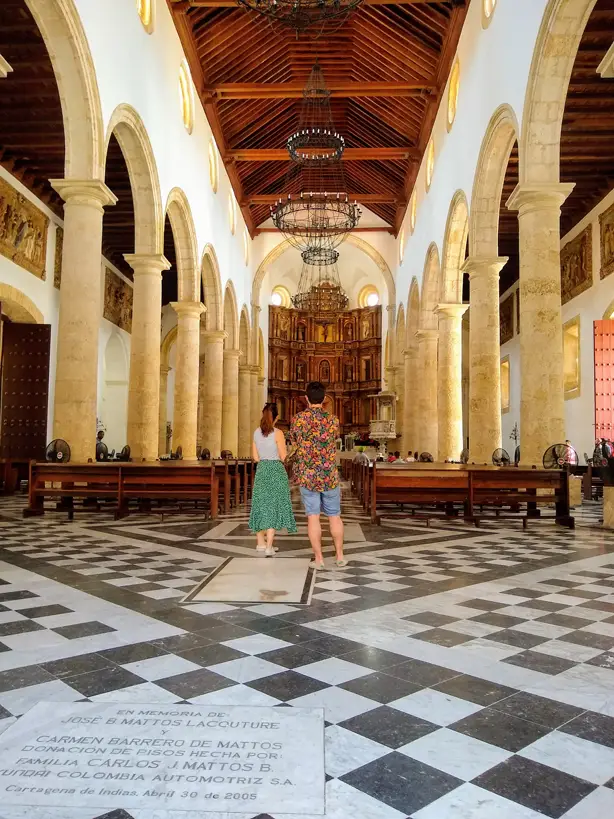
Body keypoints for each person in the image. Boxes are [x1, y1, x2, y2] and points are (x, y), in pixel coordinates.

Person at [290, 381, 347, 570]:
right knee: (334, 516)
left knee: (313, 517)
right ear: (324, 399)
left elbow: (295, 441)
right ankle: (339, 555)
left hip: (308, 474)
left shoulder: (297, 420)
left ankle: (319, 559)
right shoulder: (333, 420)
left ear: (306, 398)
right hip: (329, 473)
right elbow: (333, 439)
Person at [249, 403, 296, 556]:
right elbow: (283, 457)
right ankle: (269, 547)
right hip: (276, 470)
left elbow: (255, 458)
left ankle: (260, 543)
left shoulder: (256, 433)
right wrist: (293, 450)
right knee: (273, 506)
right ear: (276, 418)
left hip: (262, 470)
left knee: (261, 505)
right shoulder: (278, 433)